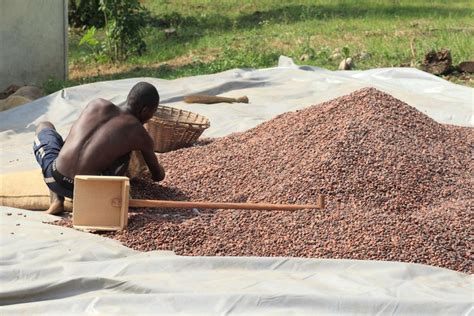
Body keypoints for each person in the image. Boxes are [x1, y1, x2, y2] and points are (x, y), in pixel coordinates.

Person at [33, 81, 165, 215]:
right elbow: (157, 176)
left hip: (55, 178)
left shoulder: (96, 104)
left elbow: (69, 142)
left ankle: (57, 200)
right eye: (152, 113)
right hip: (89, 190)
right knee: (125, 153)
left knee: (44, 125)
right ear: (145, 110)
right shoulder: (140, 135)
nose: (151, 117)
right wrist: (159, 169)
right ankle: (67, 200)